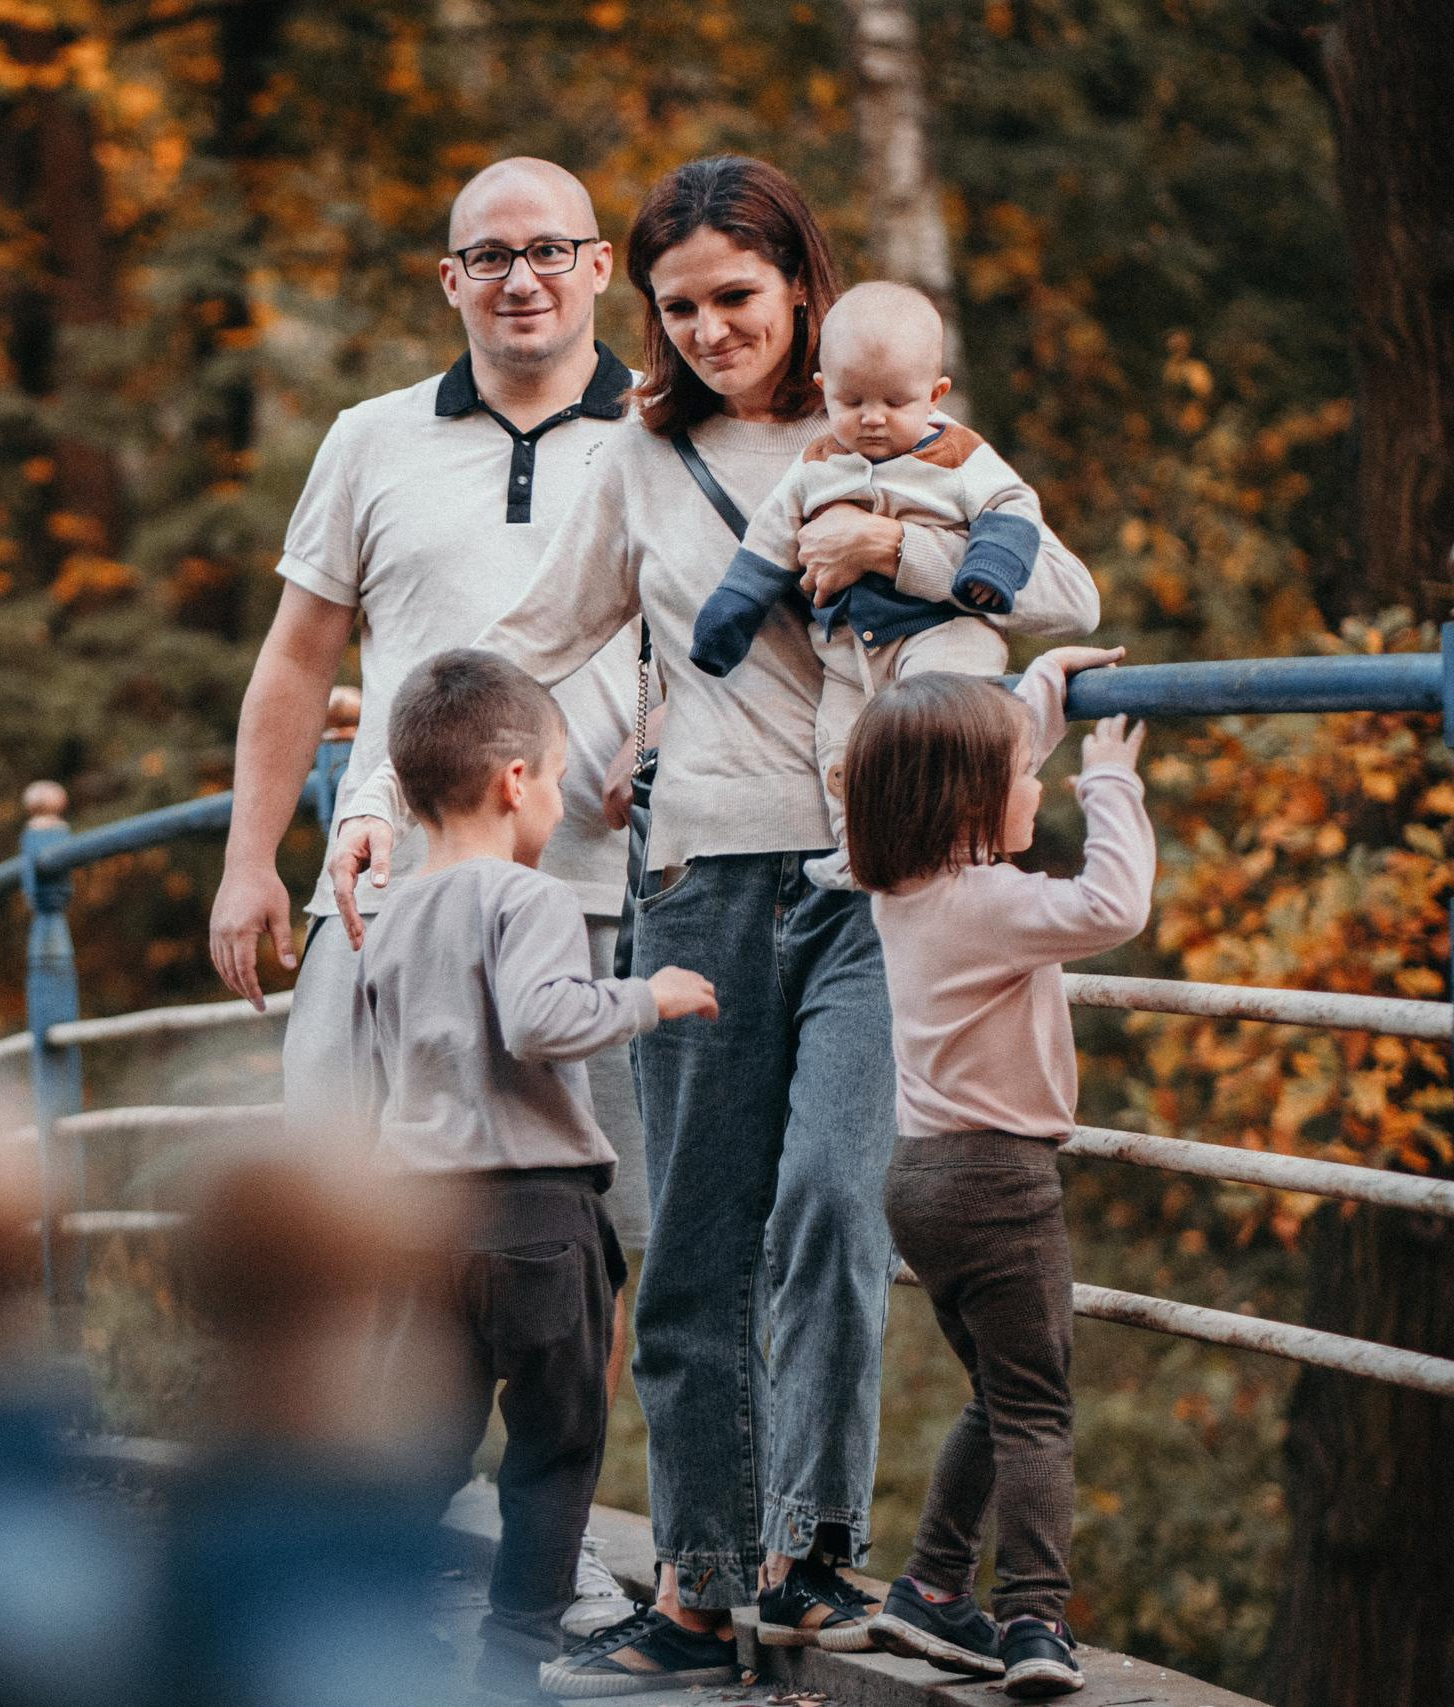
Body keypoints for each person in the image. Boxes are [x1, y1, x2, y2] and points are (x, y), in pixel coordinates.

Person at [330, 156, 1100, 1698]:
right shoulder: (640, 456)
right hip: (701, 882)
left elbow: (1059, 589)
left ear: (801, 287)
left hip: (876, 884)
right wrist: (384, 792)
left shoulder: (898, 430)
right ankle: (696, 1589)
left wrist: (900, 550)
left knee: (828, 1199)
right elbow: (526, 642)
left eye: (735, 299)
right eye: (677, 308)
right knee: (687, 1256)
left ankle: (806, 1549)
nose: (706, 331)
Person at [206, 159, 654, 1608]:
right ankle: (353, 1527)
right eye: (490, 255)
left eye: (551, 251)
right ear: (448, 278)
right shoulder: (371, 438)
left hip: (604, 892)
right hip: (381, 894)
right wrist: (248, 860)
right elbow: (297, 659)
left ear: (597, 267)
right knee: (352, 1203)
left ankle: (550, 1548)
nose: (521, 277)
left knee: (591, 1242)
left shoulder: (665, 432)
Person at [353, 650, 719, 1699]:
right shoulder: (529, 898)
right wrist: (651, 995)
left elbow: (383, 1080)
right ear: (516, 781)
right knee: (557, 1446)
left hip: (422, 1219)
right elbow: (543, 1018)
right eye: (556, 778)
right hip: (535, 1217)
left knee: (425, 1440)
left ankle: (375, 1613)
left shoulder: (387, 923)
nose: (558, 799)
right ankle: (513, 1658)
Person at [847, 649, 1153, 1701]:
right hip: (999, 1183)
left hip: (921, 1180)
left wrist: (1037, 702)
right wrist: (1108, 781)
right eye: (1024, 775)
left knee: (998, 1392)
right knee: (1038, 1410)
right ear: (972, 803)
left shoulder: (899, 888)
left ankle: (930, 1587)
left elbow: (971, 773)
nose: (1039, 784)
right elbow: (1115, 906)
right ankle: (1033, 1619)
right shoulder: (993, 904)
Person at [688, 281, 1053, 888]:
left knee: (937, 729)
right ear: (822, 389)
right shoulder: (814, 465)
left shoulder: (959, 455)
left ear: (935, 395)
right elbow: (766, 546)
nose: (873, 417)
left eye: (896, 402)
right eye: (852, 400)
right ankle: (857, 851)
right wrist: (728, 616)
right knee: (844, 748)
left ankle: (949, 852)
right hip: (848, 651)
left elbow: (1014, 506)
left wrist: (988, 567)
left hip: (940, 633)